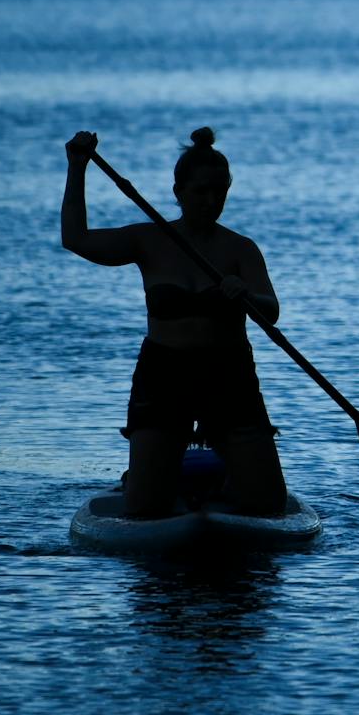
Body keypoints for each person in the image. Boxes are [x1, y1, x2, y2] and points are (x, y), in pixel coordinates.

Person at [62, 127, 287, 518]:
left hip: (228, 373)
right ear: (178, 191)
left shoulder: (241, 249)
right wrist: (77, 168)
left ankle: (228, 480)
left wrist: (247, 295)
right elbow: (76, 238)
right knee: (146, 508)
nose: (211, 200)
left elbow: (270, 309)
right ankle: (143, 478)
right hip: (164, 373)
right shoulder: (149, 239)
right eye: (201, 191)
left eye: (220, 191)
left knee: (267, 504)